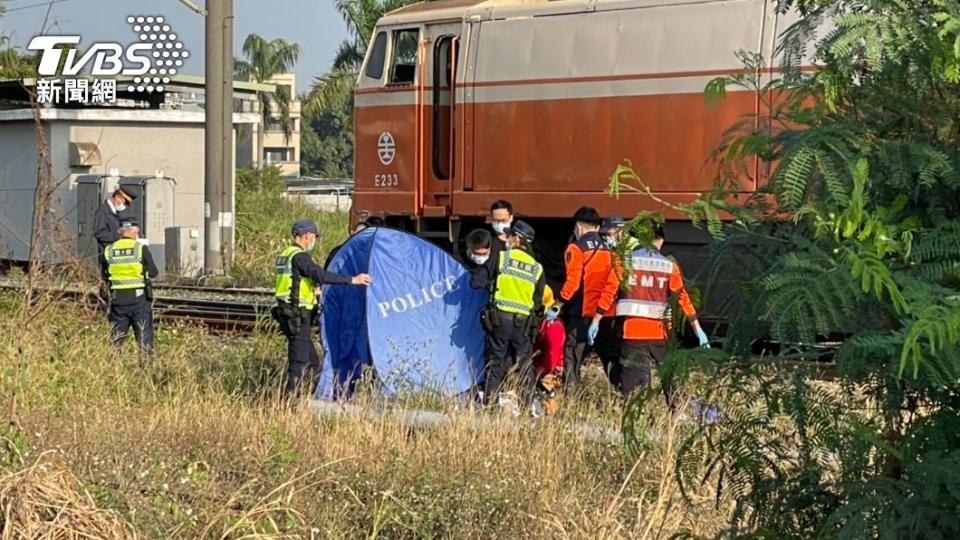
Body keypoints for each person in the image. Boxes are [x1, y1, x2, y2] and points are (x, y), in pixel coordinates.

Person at [614, 223, 709, 404]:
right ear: (661, 240)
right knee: (670, 375)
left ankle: (637, 412)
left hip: (632, 330)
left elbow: (610, 292)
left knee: (635, 377)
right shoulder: (668, 266)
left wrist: (596, 320)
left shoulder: (624, 262)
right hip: (661, 331)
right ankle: (676, 408)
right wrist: (697, 328)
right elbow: (682, 298)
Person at [275, 219, 371, 397]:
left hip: (288, 314)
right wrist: (352, 280)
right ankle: (288, 404)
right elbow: (319, 274)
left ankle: (303, 398)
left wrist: (315, 289)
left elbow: (294, 282)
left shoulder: (285, 254)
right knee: (299, 362)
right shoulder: (299, 256)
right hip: (297, 316)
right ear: (307, 236)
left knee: (311, 360)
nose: (314, 240)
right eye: (314, 237)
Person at [471, 220, 545, 409]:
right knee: (524, 367)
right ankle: (528, 407)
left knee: (495, 364)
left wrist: (492, 286)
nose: (507, 239)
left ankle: (491, 406)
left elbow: (476, 282)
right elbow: (538, 304)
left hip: (499, 322)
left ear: (517, 239)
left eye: (510, 235)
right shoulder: (537, 268)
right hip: (523, 325)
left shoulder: (502, 258)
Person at [547, 206, 620, 393]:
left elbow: (572, 284)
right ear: (597, 227)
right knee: (611, 359)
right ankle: (625, 393)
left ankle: (571, 398)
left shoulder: (576, 248)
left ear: (578, 226)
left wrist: (557, 306)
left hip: (582, 314)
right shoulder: (611, 250)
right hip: (606, 314)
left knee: (572, 357)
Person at [104, 218, 157, 357]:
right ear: (134, 231)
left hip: (117, 300)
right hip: (138, 300)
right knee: (144, 339)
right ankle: (146, 371)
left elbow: (104, 274)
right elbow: (154, 272)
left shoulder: (109, 250)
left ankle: (112, 370)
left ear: (121, 232)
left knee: (116, 340)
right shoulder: (140, 248)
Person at [531, 285, 565, 416]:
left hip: (550, 369)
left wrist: (538, 372)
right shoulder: (542, 323)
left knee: (546, 392)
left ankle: (551, 415)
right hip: (541, 366)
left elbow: (552, 357)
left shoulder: (554, 326)